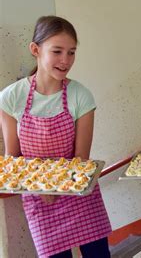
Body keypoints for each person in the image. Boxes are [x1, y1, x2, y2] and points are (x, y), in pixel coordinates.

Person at [0, 16, 112, 258]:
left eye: (71, 52)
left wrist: (57, 186)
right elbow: (13, 158)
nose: (65, 60)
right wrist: (40, 186)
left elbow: (81, 159)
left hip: (80, 194)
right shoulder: (11, 98)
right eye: (57, 51)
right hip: (40, 201)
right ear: (35, 50)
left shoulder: (80, 96)